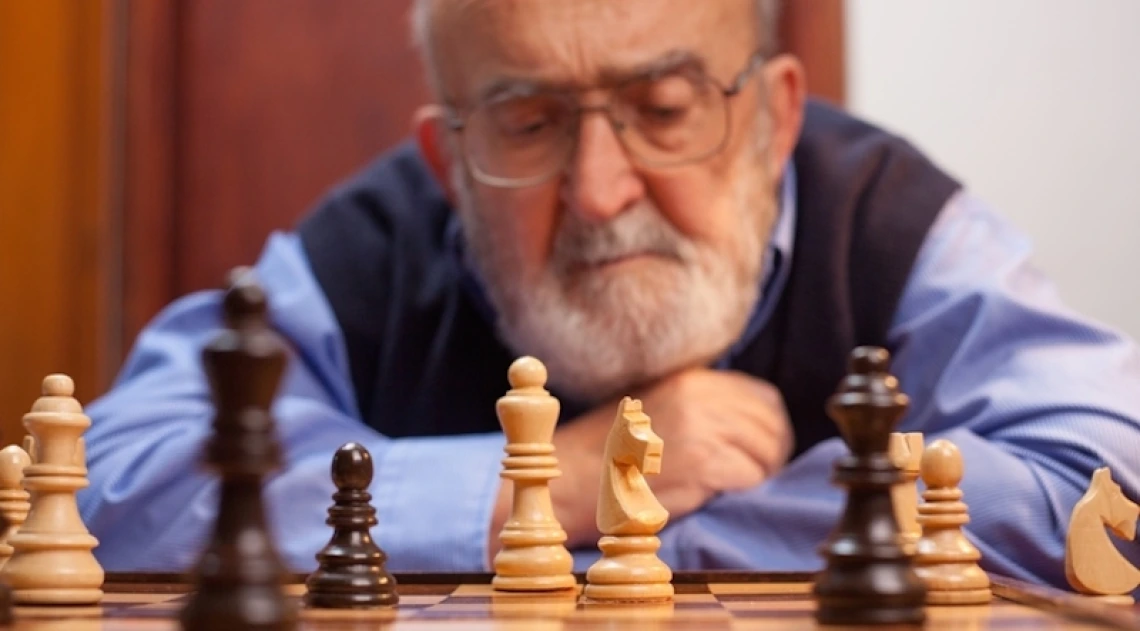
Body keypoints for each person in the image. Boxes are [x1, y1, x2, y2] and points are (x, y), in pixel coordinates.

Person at [78, 0, 1140, 589]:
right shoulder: (364, 250)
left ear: (772, 121)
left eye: (664, 107)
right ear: (447, 162)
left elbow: (1112, 479)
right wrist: (552, 483)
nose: (598, 190)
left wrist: (657, 534)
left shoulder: (893, 224)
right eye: (529, 122)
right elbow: (107, 481)